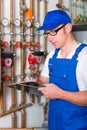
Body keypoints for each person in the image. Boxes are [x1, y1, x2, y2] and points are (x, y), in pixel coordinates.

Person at [36, 10, 87, 130]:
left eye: (53, 32)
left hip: (77, 126)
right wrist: (32, 82)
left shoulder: (84, 56)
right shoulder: (52, 55)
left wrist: (60, 94)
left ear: (68, 28)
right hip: (54, 124)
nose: (49, 38)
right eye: (47, 33)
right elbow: (43, 81)